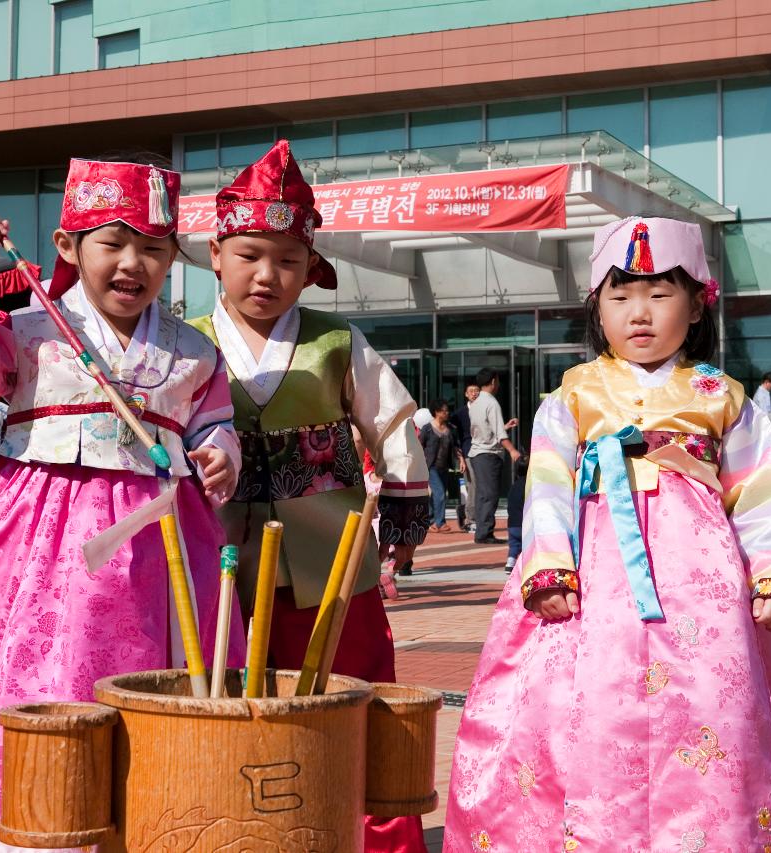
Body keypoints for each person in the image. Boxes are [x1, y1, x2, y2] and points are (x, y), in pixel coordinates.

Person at [0, 155, 243, 850]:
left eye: (154, 248)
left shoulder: (193, 352)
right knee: (14, 685)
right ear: (67, 246)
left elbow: (210, 420)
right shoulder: (25, 335)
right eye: (114, 242)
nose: (134, 263)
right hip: (32, 547)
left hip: (160, 553)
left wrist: (223, 450)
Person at [444, 217, 771, 849]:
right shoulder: (573, 395)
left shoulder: (721, 395)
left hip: (700, 586)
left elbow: (761, 489)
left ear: (698, 304)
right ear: (598, 309)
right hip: (592, 579)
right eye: (620, 297)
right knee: (586, 709)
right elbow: (545, 482)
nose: (639, 313)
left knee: (715, 710)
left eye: (659, 294)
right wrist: (547, 566)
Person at [187, 139, 430, 853]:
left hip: (334, 567)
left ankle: (378, 837)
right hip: (220, 567)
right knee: (232, 700)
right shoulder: (189, 345)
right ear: (216, 254)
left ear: (311, 269)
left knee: (358, 697)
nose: (268, 275)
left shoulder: (335, 340)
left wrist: (407, 510)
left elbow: (390, 422)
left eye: (288, 261)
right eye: (250, 255)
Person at [468, 368, 521, 544]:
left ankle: (482, 531)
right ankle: (484, 533)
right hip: (488, 454)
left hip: (477, 453)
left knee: (482, 493)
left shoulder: (475, 403)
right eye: (497, 380)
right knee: (489, 494)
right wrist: (513, 450)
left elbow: (485, 429)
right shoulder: (491, 403)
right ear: (493, 382)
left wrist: (504, 426)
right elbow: (499, 435)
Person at [419, 399, 464, 532]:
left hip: (444, 467)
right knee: (439, 494)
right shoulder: (427, 428)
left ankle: (431, 519)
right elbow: (420, 446)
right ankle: (440, 522)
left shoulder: (450, 429)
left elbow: (456, 447)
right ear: (436, 412)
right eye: (444, 410)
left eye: (447, 410)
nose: (447, 413)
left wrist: (461, 459)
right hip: (430, 466)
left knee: (438, 494)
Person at [451, 382, 479, 531]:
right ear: (466, 395)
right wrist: (459, 455)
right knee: (473, 484)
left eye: (477, 391)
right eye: (471, 391)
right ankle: (470, 518)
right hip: (468, 452)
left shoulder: (484, 410)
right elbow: (451, 433)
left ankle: (464, 511)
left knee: (475, 485)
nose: (474, 393)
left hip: (481, 451)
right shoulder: (459, 414)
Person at [504, 452, 528, 572]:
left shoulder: (514, 486)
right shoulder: (529, 485)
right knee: (527, 545)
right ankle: (525, 565)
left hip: (512, 523)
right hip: (524, 523)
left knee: (514, 545)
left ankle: (510, 562)